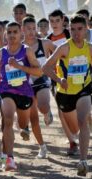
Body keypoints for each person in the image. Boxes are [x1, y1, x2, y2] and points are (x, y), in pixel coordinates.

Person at [43, 15, 91, 176]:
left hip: (84, 89)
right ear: (69, 29)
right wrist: (59, 79)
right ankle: (76, 141)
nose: (76, 33)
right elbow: (46, 67)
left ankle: (83, 161)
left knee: (82, 120)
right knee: (74, 128)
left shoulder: (89, 48)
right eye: (73, 29)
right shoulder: (64, 47)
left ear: (86, 29)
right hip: (65, 93)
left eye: (80, 29)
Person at [0, 22, 42, 171]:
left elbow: (39, 72)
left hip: (24, 92)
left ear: (20, 33)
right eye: (8, 32)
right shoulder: (1, 52)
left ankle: (22, 126)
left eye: (14, 32)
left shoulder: (27, 51)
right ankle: (9, 158)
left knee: (22, 125)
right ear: (5, 34)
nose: (11, 35)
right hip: (7, 90)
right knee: (8, 119)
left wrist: (20, 67)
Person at [22, 17, 56, 158]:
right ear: (23, 30)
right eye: (28, 29)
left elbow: (61, 55)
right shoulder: (20, 47)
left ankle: (47, 112)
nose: (31, 31)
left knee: (42, 106)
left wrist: (54, 68)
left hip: (42, 80)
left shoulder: (45, 43)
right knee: (33, 119)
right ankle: (42, 147)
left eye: (33, 28)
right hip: (26, 84)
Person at [47, 9, 78, 155]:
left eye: (57, 21)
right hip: (59, 80)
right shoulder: (48, 39)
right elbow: (48, 62)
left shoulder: (70, 34)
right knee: (61, 111)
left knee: (82, 110)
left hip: (78, 77)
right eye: (51, 21)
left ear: (63, 20)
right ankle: (72, 142)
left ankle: (82, 132)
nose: (54, 24)